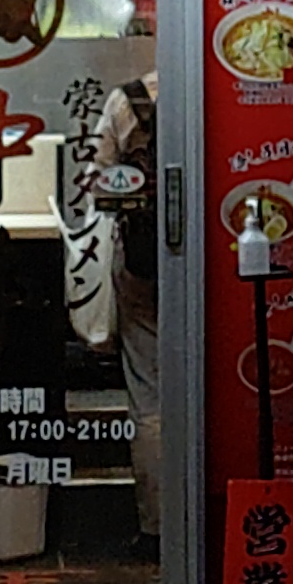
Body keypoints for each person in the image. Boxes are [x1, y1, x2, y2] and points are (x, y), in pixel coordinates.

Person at [84, 74, 164, 543]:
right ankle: (214, 513)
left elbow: (97, 185)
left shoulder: (128, 100)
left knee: (151, 399)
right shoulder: (225, 92)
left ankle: (158, 527)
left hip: (142, 264)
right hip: (218, 269)